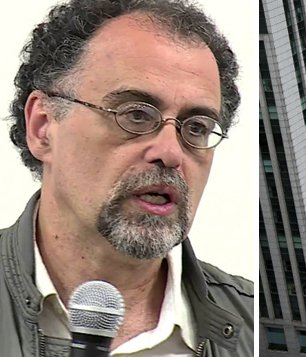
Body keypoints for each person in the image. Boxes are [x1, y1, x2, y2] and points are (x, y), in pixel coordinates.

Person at [0, 0, 252, 356]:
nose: (170, 152)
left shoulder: (249, 324)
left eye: (196, 127)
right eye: (135, 115)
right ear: (42, 127)